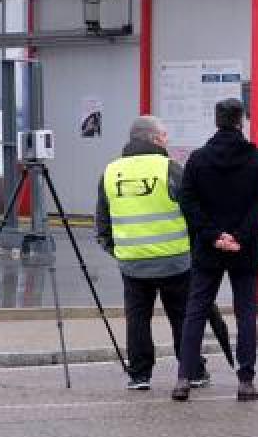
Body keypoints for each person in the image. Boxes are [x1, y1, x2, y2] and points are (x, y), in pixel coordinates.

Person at [95, 115, 227, 395]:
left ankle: (139, 375)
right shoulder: (170, 169)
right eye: (164, 135)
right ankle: (192, 371)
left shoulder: (110, 172)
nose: (167, 139)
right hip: (175, 260)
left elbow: (102, 223)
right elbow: (193, 211)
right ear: (154, 139)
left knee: (137, 319)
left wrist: (118, 250)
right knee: (182, 317)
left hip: (132, 262)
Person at [177, 99, 258, 402]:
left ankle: (184, 377)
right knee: (246, 313)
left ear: (216, 121)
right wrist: (239, 236)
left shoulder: (198, 159)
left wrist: (213, 235)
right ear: (241, 120)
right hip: (244, 249)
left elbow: (187, 202)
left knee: (195, 311)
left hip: (208, 249)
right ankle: (246, 380)